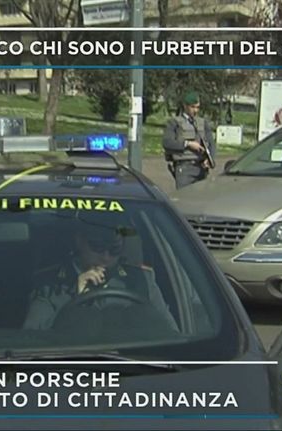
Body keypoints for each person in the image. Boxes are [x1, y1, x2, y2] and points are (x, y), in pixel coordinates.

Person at [23, 214, 177, 331]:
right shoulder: (50, 285)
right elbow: (33, 338)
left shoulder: (141, 280)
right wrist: (75, 299)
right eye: (97, 247)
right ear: (79, 241)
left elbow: (169, 332)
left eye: (114, 249)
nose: (106, 257)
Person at [162, 91, 216, 189]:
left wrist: (209, 159)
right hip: (184, 167)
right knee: (184, 196)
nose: (195, 110)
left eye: (197, 107)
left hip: (201, 168)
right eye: (192, 107)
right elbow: (167, 142)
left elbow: (211, 143)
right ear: (185, 106)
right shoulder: (174, 122)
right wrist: (187, 144)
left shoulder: (203, 123)